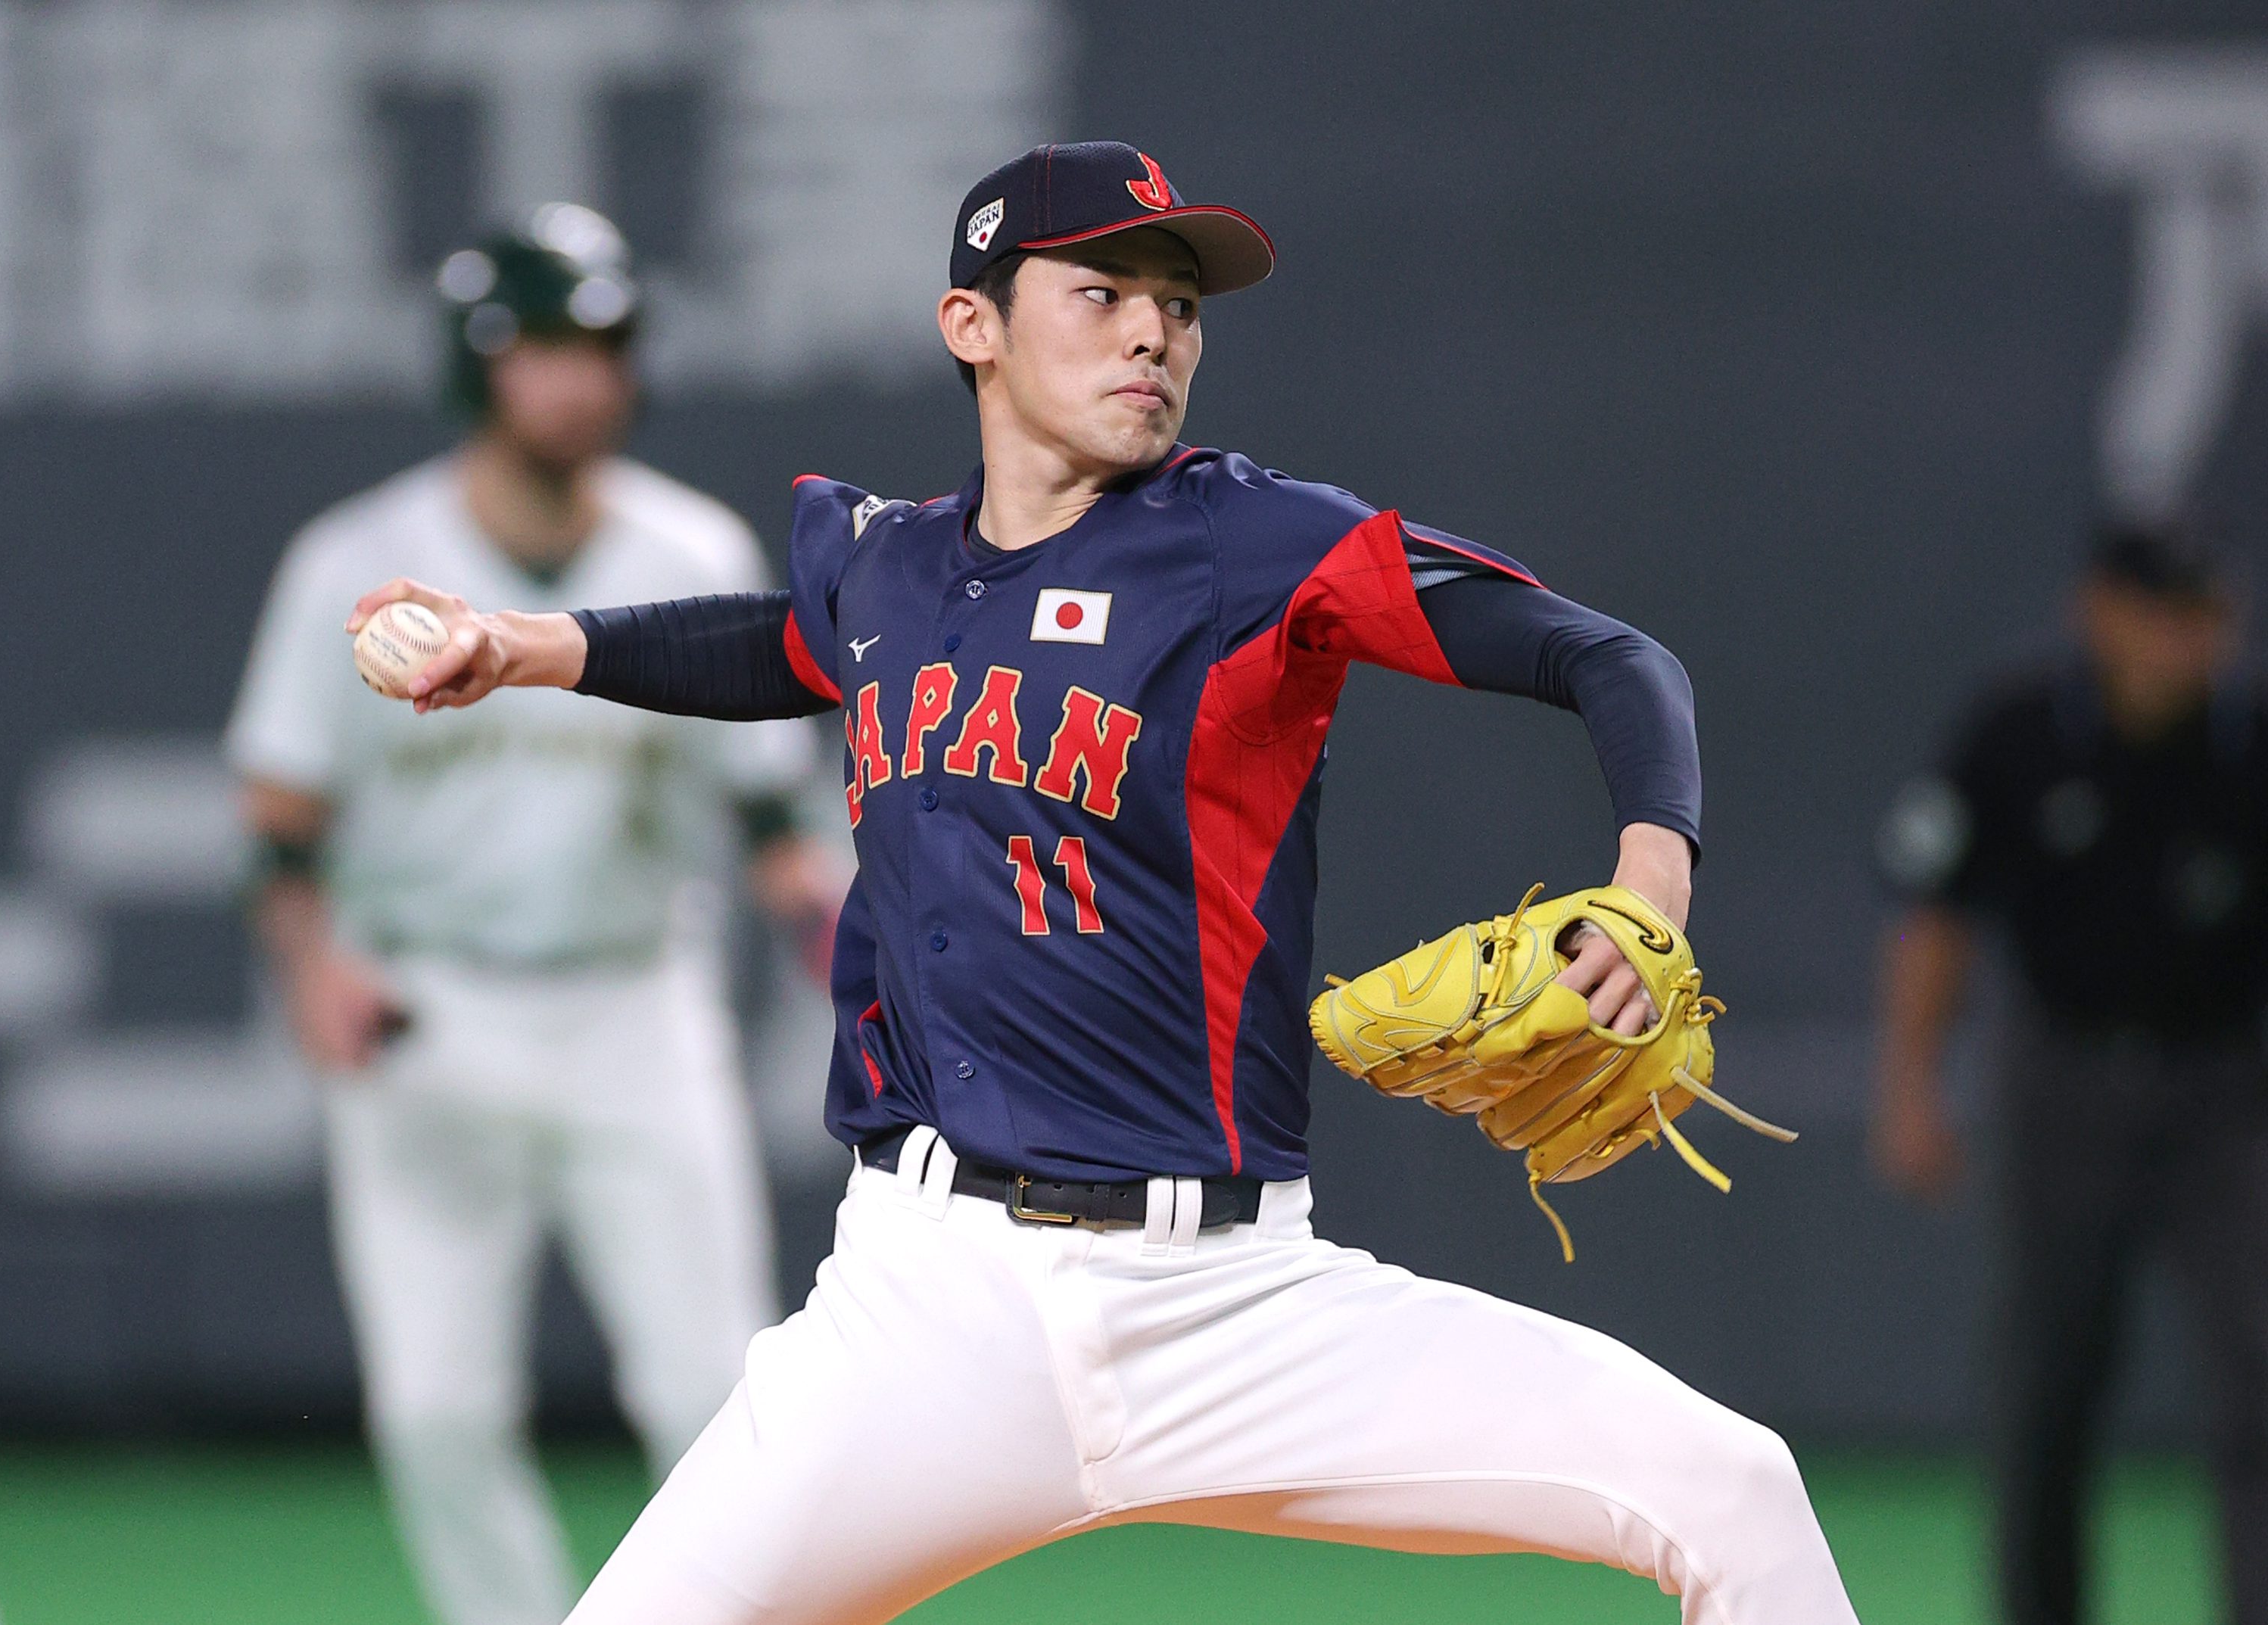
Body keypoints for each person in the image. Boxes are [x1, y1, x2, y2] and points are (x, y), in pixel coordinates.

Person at [349, 144, 1859, 1625]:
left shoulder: (1257, 544)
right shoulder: (887, 570)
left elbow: (1605, 655)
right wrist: (535, 647)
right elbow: (780, 642)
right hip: (924, 1314)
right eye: (1103, 291)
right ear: (975, 327)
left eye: (1181, 305)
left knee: (1736, 1492)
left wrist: (1649, 883)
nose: (1154, 330)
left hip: (1238, 1305)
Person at [227, 204, 840, 1625]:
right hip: (427, 1019)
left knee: (712, 1391)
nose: (577, 379)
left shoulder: (687, 543)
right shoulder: (354, 562)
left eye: (602, 346)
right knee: (439, 1408)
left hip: (636, 1008)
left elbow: (767, 821)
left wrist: (831, 924)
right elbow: (278, 829)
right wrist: (313, 971)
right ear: (475, 365)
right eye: (543, 349)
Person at [1874, 523, 2268, 1625]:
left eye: (2205, 617)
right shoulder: (2018, 732)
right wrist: (1910, 1090)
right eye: (2164, 614)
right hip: (2065, 1088)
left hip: (2223, 1100)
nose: (2189, 642)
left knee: (2260, 1375)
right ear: (2101, 612)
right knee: (2048, 1386)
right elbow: (1934, 922)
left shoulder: (2249, 745)